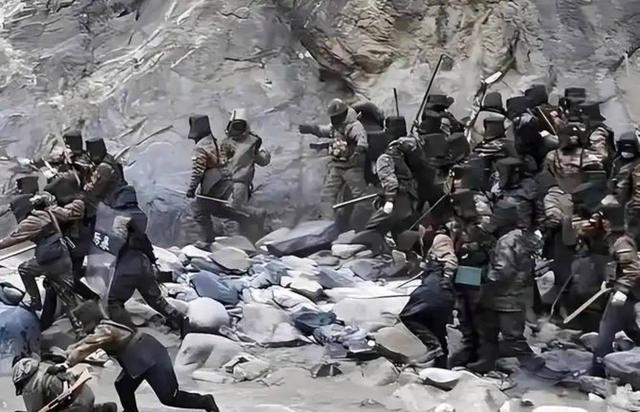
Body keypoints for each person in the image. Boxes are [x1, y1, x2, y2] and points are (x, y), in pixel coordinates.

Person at [52, 319, 220, 412]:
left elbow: (85, 347)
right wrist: (64, 355)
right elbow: (82, 344)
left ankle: (205, 402)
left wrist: (66, 365)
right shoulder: (105, 326)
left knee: (169, 397)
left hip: (148, 357)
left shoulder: (104, 331)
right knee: (123, 386)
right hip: (138, 357)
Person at [97, 185, 187, 334]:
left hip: (128, 264)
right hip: (144, 262)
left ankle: (127, 333)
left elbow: (117, 242)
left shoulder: (120, 217)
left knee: (113, 301)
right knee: (156, 300)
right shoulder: (141, 214)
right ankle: (181, 320)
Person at [468, 202, 541, 373]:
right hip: (511, 294)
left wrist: (484, 277)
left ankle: (534, 365)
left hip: (506, 295)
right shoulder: (521, 236)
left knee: (512, 336)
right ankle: (487, 361)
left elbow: (503, 270)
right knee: (488, 328)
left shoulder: (506, 241)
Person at [0, 194, 85, 337]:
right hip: (63, 256)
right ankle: (80, 330)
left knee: (24, 269)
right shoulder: (47, 213)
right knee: (66, 295)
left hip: (49, 259)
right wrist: (77, 201)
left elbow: (12, 239)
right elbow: (69, 213)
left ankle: (35, 301)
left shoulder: (30, 222)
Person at [299, 98, 371, 227]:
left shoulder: (354, 126)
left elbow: (362, 140)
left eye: (336, 117)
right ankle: (327, 225)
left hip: (352, 167)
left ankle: (363, 223)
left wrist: (358, 151)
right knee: (327, 196)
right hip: (337, 166)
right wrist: (311, 129)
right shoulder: (336, 127)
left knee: (361, 197)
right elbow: (324, 130)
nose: (334, 120)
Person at [447, 188, 495, 367]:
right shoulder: (460, 220)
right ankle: (469, 349)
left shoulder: (482, 219)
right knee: (464, 310)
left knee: (478, 313)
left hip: (478, 269)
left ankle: (484, 356)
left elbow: (489, 245)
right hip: (465, 268)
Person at [591, 204, 640, 376]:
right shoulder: (622, 238)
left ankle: (598, 369)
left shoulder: (622, 241)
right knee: (630, 328)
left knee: (607, 329)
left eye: (605, 219)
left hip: (626, 294)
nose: (603, 222)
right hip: (630, 292)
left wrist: (622, 289)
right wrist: (610, 282)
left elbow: (632, 269)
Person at [399, 230, 458, 368]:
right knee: (437, 329)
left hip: (434, 290)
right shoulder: (430, 251)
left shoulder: (441, 239)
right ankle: (441, 365)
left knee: (408, 316)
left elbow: (451, 260)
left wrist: (447, 277)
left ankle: (433, 347)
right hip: (442, 293)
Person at [219, 108, 271, 239]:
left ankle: (237, 239)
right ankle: (246, 237)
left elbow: (263, 161)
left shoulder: (247, 143)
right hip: (234, 183)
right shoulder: (247, 143)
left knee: (232, 211)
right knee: (236, 212)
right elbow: (263, 161)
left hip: (238, 183)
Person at [185, 114, 230, 246]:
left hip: (213, 180)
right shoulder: (214, 141)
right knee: (217, 209)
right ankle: (247, 217)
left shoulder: (200, 147)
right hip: (225, 178)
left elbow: (198, 171)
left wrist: (191, 189)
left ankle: (208, 240)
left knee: (200, 211)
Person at [12, 356, 116, 412]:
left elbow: (36, 410)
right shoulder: (46, 367)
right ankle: (101, 409)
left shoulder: (31, 387)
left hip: (75, 406)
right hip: (87, 395)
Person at [364, 136, 419, 240]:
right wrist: (390, 198)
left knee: (377, 226)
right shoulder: (394, 158)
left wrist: (390, 199)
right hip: (402, 198)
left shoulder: (390, 158)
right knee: (391, 225)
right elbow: (390, 180)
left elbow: (390, 180)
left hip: (401, 198)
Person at [83, 137, 126, 214]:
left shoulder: (104, 167)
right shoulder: (108, 157)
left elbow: (96, 192)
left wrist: (86, 188)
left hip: (112, 200)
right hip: (116, 195)